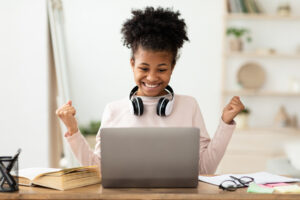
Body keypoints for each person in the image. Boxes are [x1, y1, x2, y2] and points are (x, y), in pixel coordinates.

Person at [56, 7, 244, 174]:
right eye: (144, 69)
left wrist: (225, 123)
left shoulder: (188, 106)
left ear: (172, 66)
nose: (152, 77)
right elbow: (98, 170)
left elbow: (205, 169)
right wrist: (73, 130)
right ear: (132, 64)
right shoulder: (114, 110)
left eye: (161, 69)